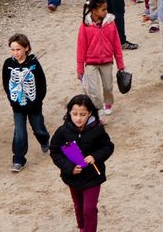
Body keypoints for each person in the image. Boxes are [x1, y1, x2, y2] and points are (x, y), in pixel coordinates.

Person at [50, 95, 114, 232]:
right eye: (74, 114)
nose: (78, 118)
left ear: (90, 113)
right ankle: (82, 228)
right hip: (73, 178)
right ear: (69, 113)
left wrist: (95, 157)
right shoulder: (62, 132)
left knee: (89, 210)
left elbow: (108, 147)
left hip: (93, 177)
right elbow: (54, 151)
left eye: (82, 114)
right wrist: (69, 168)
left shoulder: (97, 129)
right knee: (79, 208)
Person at [76, 0, 125, 115]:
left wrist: (120, 63)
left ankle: (108, 102)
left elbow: (116, 43)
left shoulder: (110, 23)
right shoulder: (85, 25)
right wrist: (80, 67)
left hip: (107, 61)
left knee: (108, 87)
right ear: (94, 11)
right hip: (91, 63)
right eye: (103, 10)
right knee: (94, 91)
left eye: (106, 9)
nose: (106, 12)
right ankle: (98, 111)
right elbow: (81, 47)